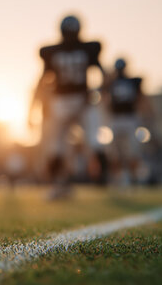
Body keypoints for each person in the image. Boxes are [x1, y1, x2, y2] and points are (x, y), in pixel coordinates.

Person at [30, 15, 109, 200]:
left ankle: (62, 183)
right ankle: (84, 180)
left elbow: (42, 81)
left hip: (64, 102)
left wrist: (34, 107)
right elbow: (105, 75)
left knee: (60, 145)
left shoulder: (53, 51)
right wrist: (100, 92)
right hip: (77, 100)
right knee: (88, 141)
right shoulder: (88, 48)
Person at [105, 58, 150, 186]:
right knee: (115, 151)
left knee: (132, 150)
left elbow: (141, 98)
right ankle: (119, 177)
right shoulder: (111, 83)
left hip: (129, 117)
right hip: (117, 118)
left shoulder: (131, 82)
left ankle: (133, 176)